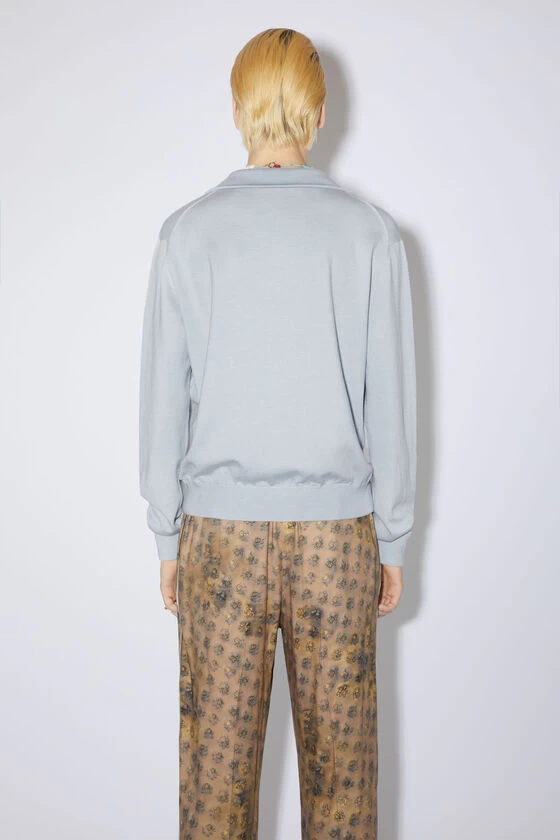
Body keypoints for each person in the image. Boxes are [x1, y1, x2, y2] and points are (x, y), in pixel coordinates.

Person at [139, 26, 417, 840]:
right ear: (320, 115)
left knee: (214, 788)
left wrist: (166, 533)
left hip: (218, 541)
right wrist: (392, 537)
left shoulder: (188, 233)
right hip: (338, 543)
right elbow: (390, 403)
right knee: (344, 792)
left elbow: (163, 399)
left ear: (237, 111)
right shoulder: (369, 233)